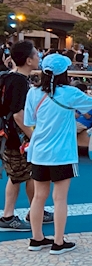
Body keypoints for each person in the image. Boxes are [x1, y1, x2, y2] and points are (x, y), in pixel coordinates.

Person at [24, 53, 92, 253]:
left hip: (39, 151)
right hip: (62, 153)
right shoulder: (70, 92)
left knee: (39, 196)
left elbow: (29, 121)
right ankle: (58, 242)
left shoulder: (33, 93)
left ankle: (36, 238)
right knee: (60, 198)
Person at [0, 41, 54, 232]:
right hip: (17, 138)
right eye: (36, 55)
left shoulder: (8, 77)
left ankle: (33, 210)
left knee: (20, 175)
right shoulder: (20, 82)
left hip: (8, 135)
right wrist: (34, 136)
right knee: (25, 175)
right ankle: (11, 215)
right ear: (29, 60)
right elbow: (18, 114)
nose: (39, 57)